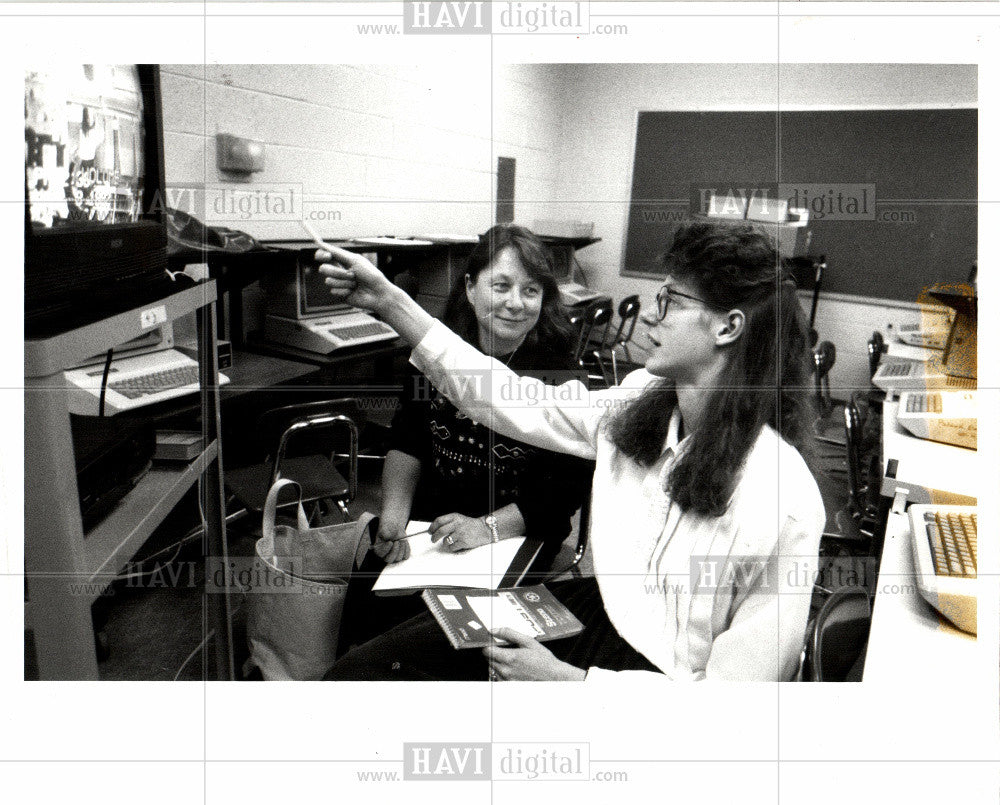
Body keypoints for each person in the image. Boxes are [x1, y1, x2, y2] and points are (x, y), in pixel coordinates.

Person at [322, 220, 825, 682]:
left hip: (654, 687)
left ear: (728, 327)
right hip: (599, 607)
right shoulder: (639, 402)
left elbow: (733, 711)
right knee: (365, 669)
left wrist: (570, 684)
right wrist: (391, 304)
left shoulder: (782, 497)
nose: (650, 312)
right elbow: (514, 400)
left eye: (671, 300)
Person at [341, 224, 593, 647]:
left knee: (453, 640)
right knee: (367, 618)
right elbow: (408, 441)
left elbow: (562, 494)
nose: (516, 303)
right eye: (501, 286)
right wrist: (394, 516)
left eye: (531, 291)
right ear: (471, 288)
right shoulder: (435, 356)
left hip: (516, 530)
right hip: (430, 527)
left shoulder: (561, 374)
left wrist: (487, 528)